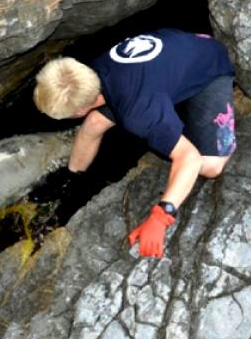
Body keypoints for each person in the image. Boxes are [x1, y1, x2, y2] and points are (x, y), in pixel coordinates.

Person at [31, 28, 236, 259]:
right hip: (180, 50)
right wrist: (71, 176)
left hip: (211, 68)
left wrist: (161, 217)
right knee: (94, 123)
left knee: (210, 167)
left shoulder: (138, 113)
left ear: (78, 110)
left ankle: (222, 130)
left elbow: (189, 158)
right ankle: (72, 177)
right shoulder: (96, 69)